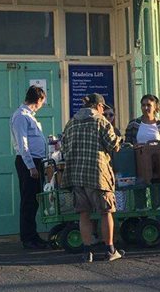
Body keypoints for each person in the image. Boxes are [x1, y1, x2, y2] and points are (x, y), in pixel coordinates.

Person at [62, 93, 123, 262]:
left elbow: (64, 147)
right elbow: (113, 145)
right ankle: (110, 250)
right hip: (98, 175)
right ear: (99, 106)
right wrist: (120, 138)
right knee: (106, 212)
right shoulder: (101, 122)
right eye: (103, 109)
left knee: (83, 214)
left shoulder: (70, 123)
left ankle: (87, 251)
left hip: (75, 175)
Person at [124, 94, 160, 233]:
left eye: (149, 105)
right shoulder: (134, 124)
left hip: (157, 166)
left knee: (157, 195)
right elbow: (127, 144)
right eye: (143, 105)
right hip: (138, 165)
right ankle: (141, 223)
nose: (146, 107)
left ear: (155, 107)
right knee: (139, 193)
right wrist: (133, 147)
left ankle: (158, 224)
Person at [10, 85, 48, 250]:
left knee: (34, 201)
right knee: (28, 201)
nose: (42, 105)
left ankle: (33, 235)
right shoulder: (21, 116)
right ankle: (27, 238)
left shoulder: (30, 117)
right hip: (28, 162)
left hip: (37, 161)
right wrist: (31, 167)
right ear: (38, 99)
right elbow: (22, 143)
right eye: (43, 102)